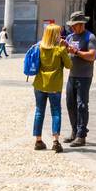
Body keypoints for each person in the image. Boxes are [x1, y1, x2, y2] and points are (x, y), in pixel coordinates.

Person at [31, 23, 72, 153]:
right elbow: (69, 65)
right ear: (55, 35)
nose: (61, 35)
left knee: (39, 111)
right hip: (54, 86)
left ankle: (38, 140)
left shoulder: (38, 48)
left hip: (39, 84)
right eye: (59, 33)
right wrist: (64, 49)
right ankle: (55, 141)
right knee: (55, 112)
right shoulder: (59, 50)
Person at [64, 11, 96, 147]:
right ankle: (74, 131)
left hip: (84, 76)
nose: (72, 28)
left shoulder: (90, 37)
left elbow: (92, 55)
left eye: (74, 25)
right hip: (72, 75)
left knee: (82, 105)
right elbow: (65, 50)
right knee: (70, 104)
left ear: (81, 24)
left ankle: (81, 135)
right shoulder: (70, 37)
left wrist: (76, 52)